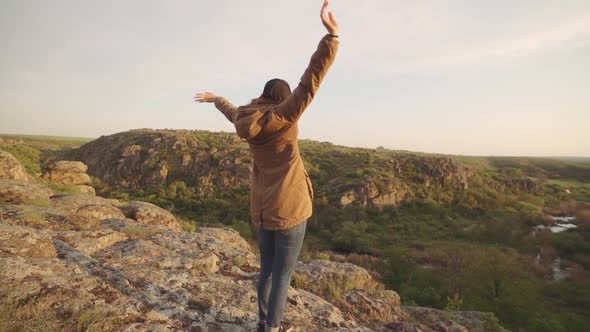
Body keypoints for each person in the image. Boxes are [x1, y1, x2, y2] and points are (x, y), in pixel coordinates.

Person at [194, 1, 339, 331]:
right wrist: (331, 38)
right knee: (283, 275)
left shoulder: (247, 117)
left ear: (262, 95)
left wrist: (215, 98)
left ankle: (263, 321)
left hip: (262, 211)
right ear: (283, 99)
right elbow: (310, 81)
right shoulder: (284, 115)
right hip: (289, 209)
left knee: (267, 272)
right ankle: (272, 327)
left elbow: (230, 109)